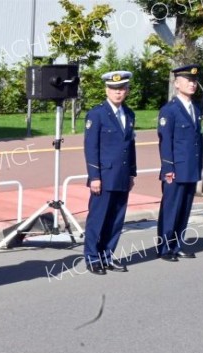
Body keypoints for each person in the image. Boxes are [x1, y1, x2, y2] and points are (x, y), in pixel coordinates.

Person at [83, 71, 136, 275]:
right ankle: (92, 257)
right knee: (98, 218)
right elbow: (91, 148)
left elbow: (130, 146)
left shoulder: (129, 114)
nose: (118, 92)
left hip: (122, 175)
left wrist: (132, 173)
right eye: (114, 89)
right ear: (106, 89)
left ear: (127, 91)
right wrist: (94, 176)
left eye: (122, 88)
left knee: (116, 220)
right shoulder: (97, 114)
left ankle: (107, 256)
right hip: (104, 177)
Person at [156, 65, 203, 261]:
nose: (192, 84)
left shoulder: (196, 108)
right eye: (188, 80)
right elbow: (165, 141)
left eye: (194, 81)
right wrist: (168, 168)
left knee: (184, 209)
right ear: (177, 84)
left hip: (191, 168)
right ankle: (165, 248)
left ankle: (177, 245)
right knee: (171, 209)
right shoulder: (170, 110)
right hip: (175, 169)